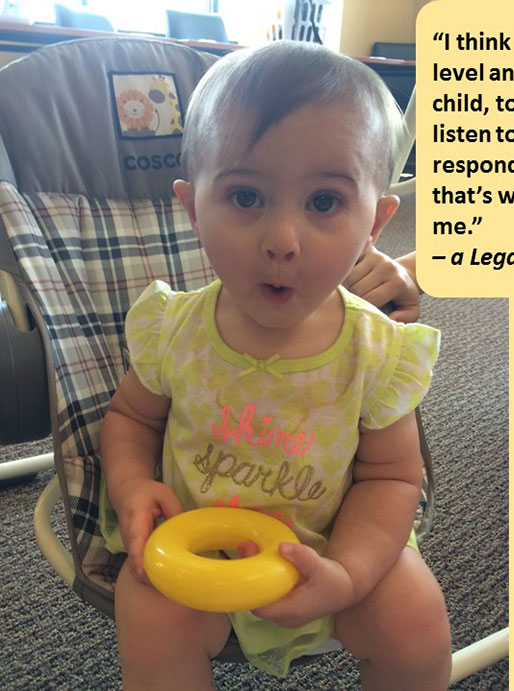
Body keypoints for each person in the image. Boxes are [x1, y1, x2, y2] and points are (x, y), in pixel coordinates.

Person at [98, 41, 451, 690]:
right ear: (193, 209)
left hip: (332, 544)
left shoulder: (378, 351)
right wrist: (129, 485)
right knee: (145, 604)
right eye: (245, 197)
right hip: (194, 547)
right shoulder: (172, 327)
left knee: (415, 613)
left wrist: (349, 571)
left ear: (375, 222)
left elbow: (393, 477)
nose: (282, 241)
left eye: (323, 203)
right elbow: (129, 418)